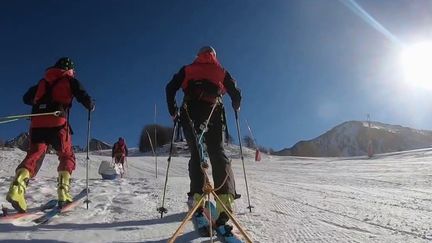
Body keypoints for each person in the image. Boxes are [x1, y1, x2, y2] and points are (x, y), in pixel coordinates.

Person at [165, 46, 241, 226]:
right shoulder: (221, 71)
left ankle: (197, 198)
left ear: (198, 56)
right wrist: (236, 105)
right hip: (213, 114)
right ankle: (225, 201)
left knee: (197, 154)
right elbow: (235, 92)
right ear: (214, 56)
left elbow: (170, 88)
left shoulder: (188, 69)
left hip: (190, 113)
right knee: (217, 152)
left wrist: (173, 110)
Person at [6, 57, 94, 212]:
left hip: (37, 123)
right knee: (66, 156)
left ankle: (17, 189)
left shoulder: (42, 82)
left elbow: (26, 98)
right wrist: (90, 104)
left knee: (34, 154)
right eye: (73, 70)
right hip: (58, 122)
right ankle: (63, 192)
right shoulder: (69, 80)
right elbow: (82, 95)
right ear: (69, 68)